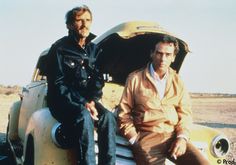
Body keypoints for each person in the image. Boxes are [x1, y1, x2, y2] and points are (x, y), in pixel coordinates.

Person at [118, 35, 210, 165]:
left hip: (172, 135)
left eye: (168, 55)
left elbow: (185, 113)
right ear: (152, 54)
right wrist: (134, 140)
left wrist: (182, 138)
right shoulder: (135, 78)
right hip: (147, 136)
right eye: (159, 53)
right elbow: (123, 114)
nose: (163, 59)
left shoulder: (178, 81)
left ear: (173, 57)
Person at [46, 5, 116, 165]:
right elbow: (58, 85)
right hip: (63, 103)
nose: (85, 25)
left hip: (88, 101)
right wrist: (83, 104)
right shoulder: (59, 49)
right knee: (84, 117)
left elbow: (98, 80)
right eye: (79, 20)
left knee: (108, 118)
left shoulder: (95, 49)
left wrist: (92, 101)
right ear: (69, 25)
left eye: (88, 20)